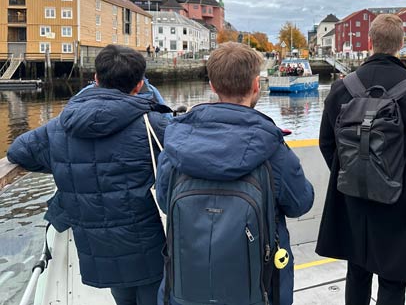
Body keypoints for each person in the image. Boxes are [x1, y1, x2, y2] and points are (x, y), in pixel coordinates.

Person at [7, 45, 171, 305]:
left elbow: (19, 151)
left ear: (95, 79)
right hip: (150, 246)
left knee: (123, 298)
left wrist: (63, 161)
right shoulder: (155, 124)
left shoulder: (61, 126)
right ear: (140, 85)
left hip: (99, 250)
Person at [156, 42, 314, 305]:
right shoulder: (273, 148)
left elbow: (165, 201)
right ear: (255, 85)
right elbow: (300, 203)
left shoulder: (176, 143)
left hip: (187, 285)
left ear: (212, 86)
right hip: (259, 287)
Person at [316, 14, 406, 305]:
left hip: (352, 197)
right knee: (393, 278)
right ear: (401, 44)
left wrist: (352, 174)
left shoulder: (342, 89)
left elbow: (327, 143)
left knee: (357, 270)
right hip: (398, 199)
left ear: (369, 42)